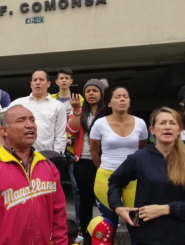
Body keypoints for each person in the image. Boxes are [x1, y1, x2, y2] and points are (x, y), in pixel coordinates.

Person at [0, 105, 68, 245]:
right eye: (21, 120)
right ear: (3, 130)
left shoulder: (48, 166)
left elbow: (59, 216)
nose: (30, 125)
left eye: (32, 120)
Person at [108, 107, 185, 245]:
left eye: (172, 123)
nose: (167, 127)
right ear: (152, 130)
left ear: (179, 129)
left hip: (180, 234)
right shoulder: (140, 158)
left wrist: (166, 209)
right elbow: (115, 181)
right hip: (147, 235)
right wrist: (118, 207)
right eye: (162, 123)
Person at [90, 86, 148, 242]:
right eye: (117, 97)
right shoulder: (100, 124)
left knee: (135, 222)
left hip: (133, 179)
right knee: (108, 224)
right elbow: (94, 153)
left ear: (129, 101)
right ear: (109, 103)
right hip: (106, 177)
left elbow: (141, 150)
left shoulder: (141, 123)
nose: (122, 99)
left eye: (125, 96)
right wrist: (105, 171)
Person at [67, 79, 108, 243]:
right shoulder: (78, 110)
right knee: (85, 200)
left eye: (95, 90)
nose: (91, 93)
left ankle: (105, 233)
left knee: (105, 199)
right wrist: (76, 110)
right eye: (88, 91)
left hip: (105, 161)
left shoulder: (108, 111)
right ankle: (86, 235)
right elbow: (71, 129)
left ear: (101, 94)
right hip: (82, 160)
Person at [0, 69, 67, 153]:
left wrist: (58, 157)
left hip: (47, 157)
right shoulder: (19, 102)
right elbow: (0, 117)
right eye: (35, 80)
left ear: (48, 84)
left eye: (41, 80)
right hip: (20, 155)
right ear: (31, 84)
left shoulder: (58, 106)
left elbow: (61, 135)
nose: (37, 82)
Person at [51, 68, 84, 227]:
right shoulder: (49, 99)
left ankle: (78, 225)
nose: (64, 81)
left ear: (71, 81)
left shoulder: (81, 100)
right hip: (54, 150)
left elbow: (83, 125)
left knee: (77, 189)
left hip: (73, 150)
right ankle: (53, 224)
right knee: (51, 188)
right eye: (61, 78)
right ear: (56, 82)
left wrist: (70, 138)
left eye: (67, 78)